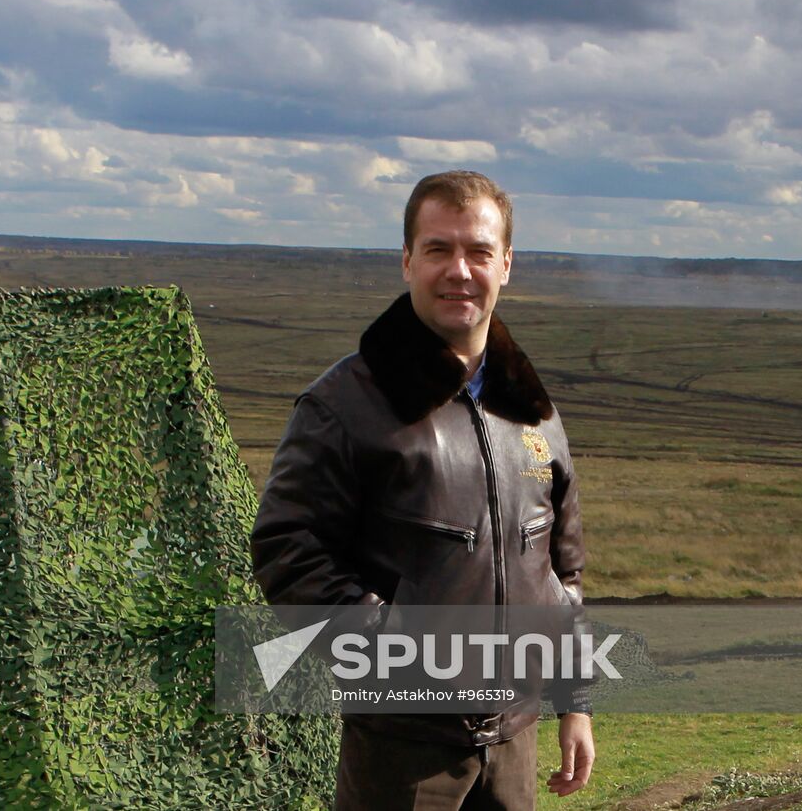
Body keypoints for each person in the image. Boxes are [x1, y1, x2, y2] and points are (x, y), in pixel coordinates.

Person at [250, 170, 594, 809]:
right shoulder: (344, 404)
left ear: (506, 264)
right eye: (439, 249)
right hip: (400, 752)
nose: (459, 270)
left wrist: (574, 699)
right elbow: (287, 550)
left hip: (513, 746)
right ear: (408, 260)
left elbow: (560, 570)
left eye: (479, 251)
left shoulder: (533, 411)